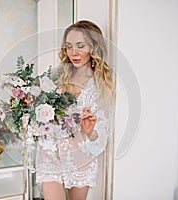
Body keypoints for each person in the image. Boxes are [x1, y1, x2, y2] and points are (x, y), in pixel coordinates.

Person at [35, 20, 115, 200]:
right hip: (50, 152)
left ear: (94, 47)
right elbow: (38, 107)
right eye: (69, 46)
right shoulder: (56, 76)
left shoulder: (101, 87)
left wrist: (90, 131)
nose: (73, 52)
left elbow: (101, 135)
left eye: (80, 46)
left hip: (80, 157)